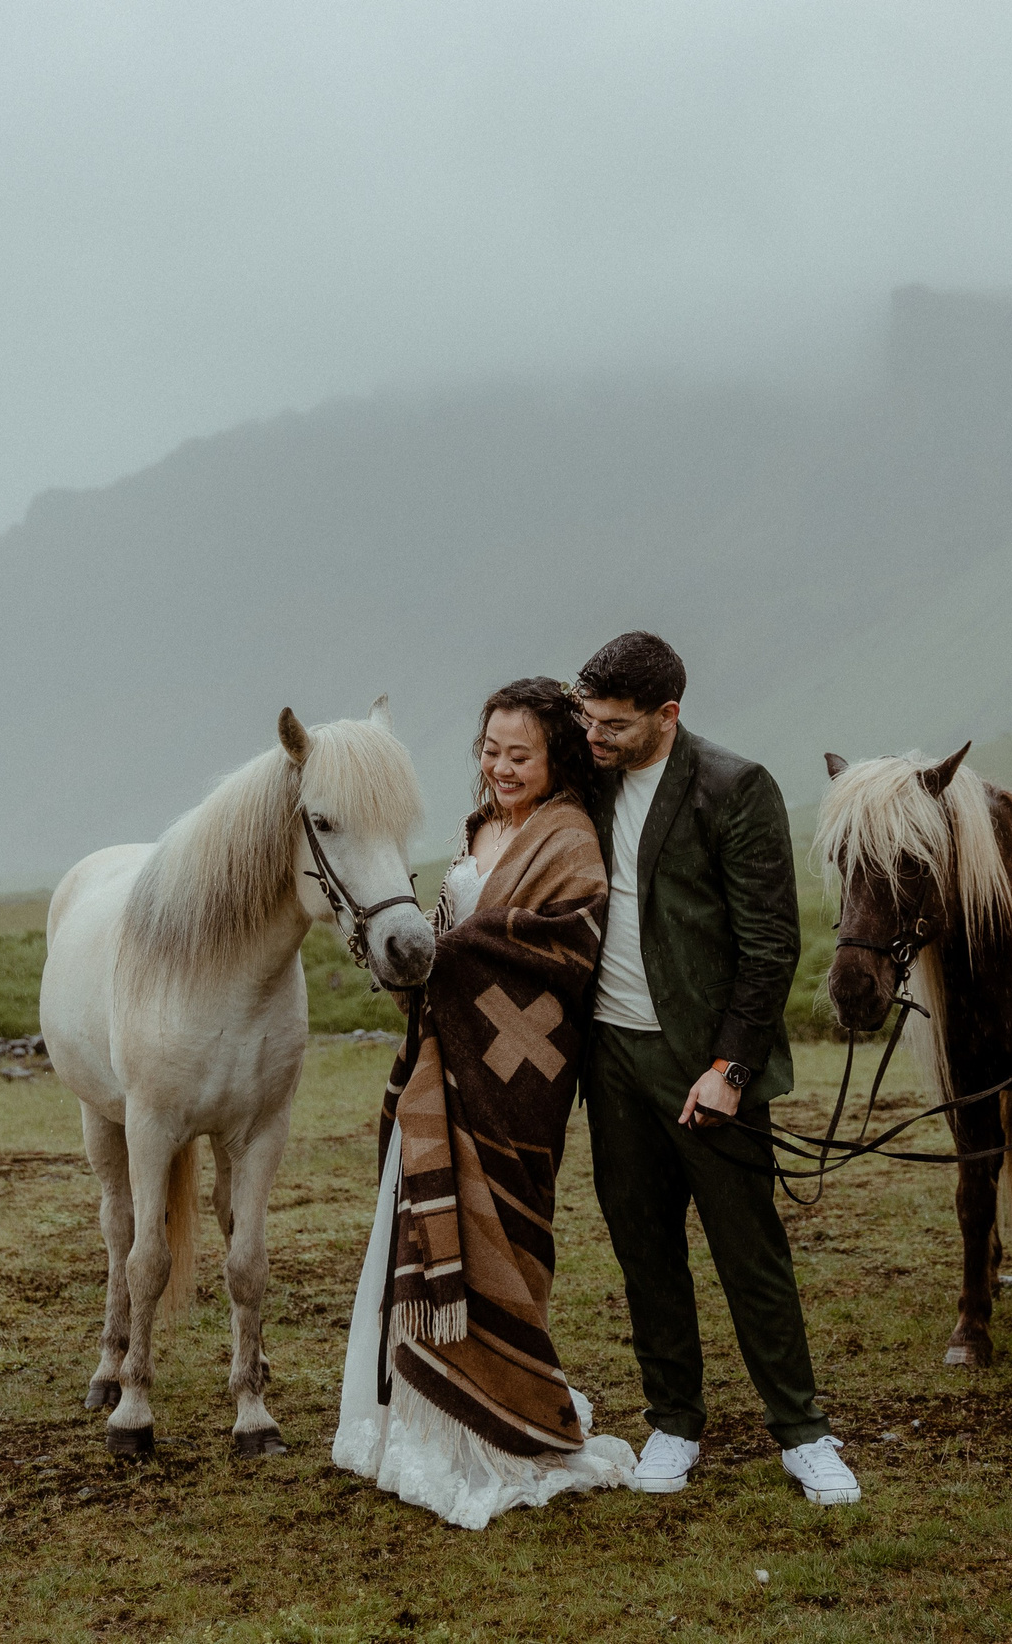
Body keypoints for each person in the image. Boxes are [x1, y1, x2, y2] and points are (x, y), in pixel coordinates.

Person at [332, 676, 636, 1528]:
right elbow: (443, 935)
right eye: (490, 751)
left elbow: (567, 947)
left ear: (555, 758)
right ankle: (425, 1423)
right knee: (423, 1234)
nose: (501, 768)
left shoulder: (569, 836)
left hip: (517, 1082)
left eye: (520, 754)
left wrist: (452, 950)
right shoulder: (479, 831)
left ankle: (502, 1418)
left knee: (499, 1233)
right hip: (442, 1072)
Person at [573, 630, 861, 1506]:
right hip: (610, 1058)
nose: (596, 736)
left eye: (616, 725)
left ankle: (804, 1433)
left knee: (749, 1252)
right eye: (589, 718)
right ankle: (673, 1420)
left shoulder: (734, 787)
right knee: (643, 1248)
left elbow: (772, 944)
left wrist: (731, 1067)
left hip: (705, 1066)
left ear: (668, 715)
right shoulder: (583, 774)